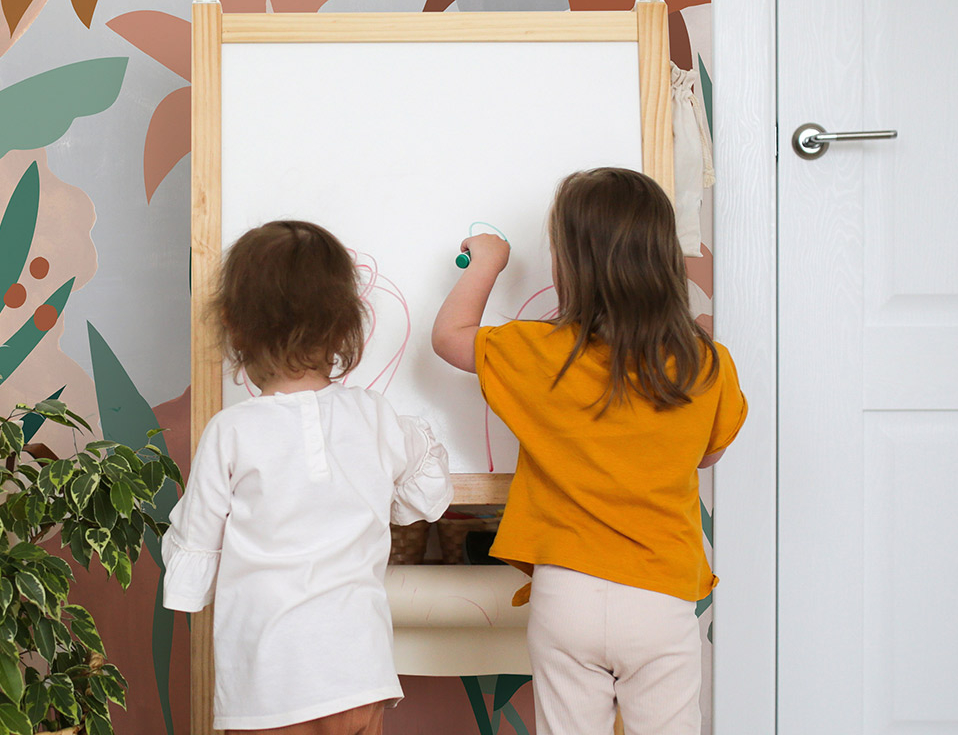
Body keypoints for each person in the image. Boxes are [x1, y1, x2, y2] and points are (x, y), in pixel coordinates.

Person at [431, 168, 744, 735]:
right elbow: (708, 455)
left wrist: (487, 262)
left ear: (568, 265)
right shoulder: (707, 364)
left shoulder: (539, 352)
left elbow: (451, 335)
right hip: (660, 593)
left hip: (567, 592)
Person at [164, 220, 454, 735]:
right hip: (360, 671)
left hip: (268, 680)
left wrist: (187, 593)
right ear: (345, 328)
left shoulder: (231, 431)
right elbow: (425, 474)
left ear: (233, 327)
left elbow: (197, 545)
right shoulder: (376, 416)